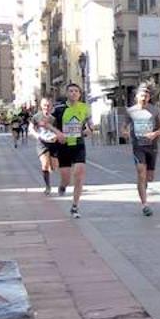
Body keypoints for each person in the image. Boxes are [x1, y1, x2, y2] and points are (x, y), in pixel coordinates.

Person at [121, 84, 160, 216]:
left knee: (149, 177)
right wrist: (124, 132)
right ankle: (144, 204)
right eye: (142, 95)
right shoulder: (131, 111)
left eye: (146, 95)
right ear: (136, 97)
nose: (144, 97)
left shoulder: (155, 110)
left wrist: (155, 133)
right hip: (138, 146)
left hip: (152, 146)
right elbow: (124, 126)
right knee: (141, 173)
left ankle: (143, 187)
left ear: (149, 97)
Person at [51, 82, 94, 218]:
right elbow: (47, 123)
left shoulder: (85, 108)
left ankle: (75, 206)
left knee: (79, 175)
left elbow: (90, 124)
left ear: (80, 94)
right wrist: (58, 133)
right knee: (66, 178)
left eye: (76, 91)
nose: (74, 93)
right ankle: (63, 185)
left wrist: (89, 129)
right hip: (63, 146)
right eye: (71, 91)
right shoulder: (59, 109)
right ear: (67, 93)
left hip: (79, 144)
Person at [30, 97, 61, 194]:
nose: (46, 107)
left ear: (51, 106)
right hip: (42, 143)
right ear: (41, 106)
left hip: (53, 143)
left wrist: (56, 136)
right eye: (44, 105)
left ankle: (51, 166)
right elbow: (31, 129)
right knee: (44, 165)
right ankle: (48, 187)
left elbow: (59, 130)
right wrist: (37, 136)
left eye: (48, 105)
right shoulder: (36, 117)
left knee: (55, 166)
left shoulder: (55, 118)